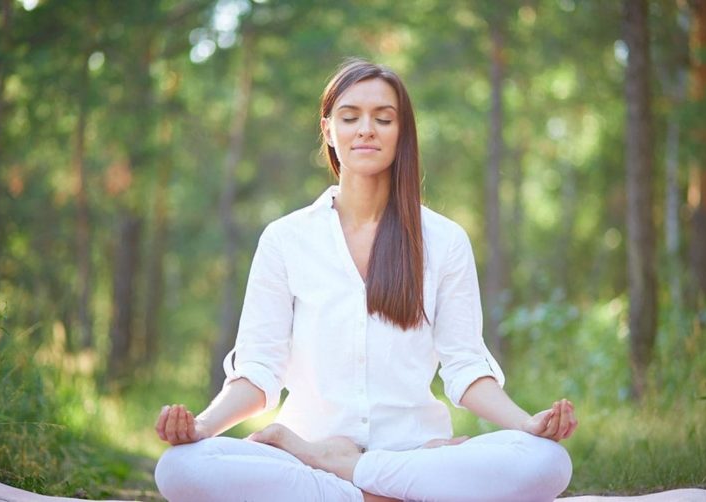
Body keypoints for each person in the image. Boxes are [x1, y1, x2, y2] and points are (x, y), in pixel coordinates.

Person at [153, 58, 578, 502]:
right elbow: (258, 370)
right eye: (350, 117)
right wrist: (201, 426)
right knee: (182, 468)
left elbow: (465, 367)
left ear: (402, 132)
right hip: (303, 451)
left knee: (545, 462)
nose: (366, 129)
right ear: (329, 132)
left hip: (414, 453)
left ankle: (349, 472)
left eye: (383, 118)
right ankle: (383, 492)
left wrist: (526, 424)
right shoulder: (286, 239)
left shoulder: (444, 240)